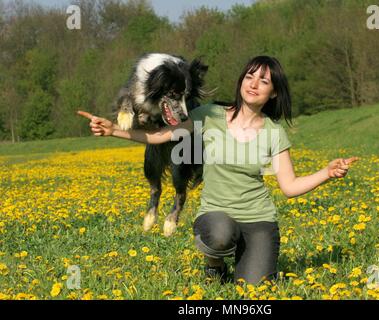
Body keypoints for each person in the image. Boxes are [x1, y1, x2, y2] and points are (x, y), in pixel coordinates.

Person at [78, 56, 358, 285]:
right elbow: (160, 137)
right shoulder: (209, 115)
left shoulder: (274, 132)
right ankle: (215, 265)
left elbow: (290, 186)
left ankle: (245, 256)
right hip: (217, 216)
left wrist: (326, 172)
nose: (254, 84)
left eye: (263, 80)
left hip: (258, 220)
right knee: (220, 234)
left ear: (273, 92)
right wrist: (113, 130)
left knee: (256, 290)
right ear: (241, 82)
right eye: (249, 76)